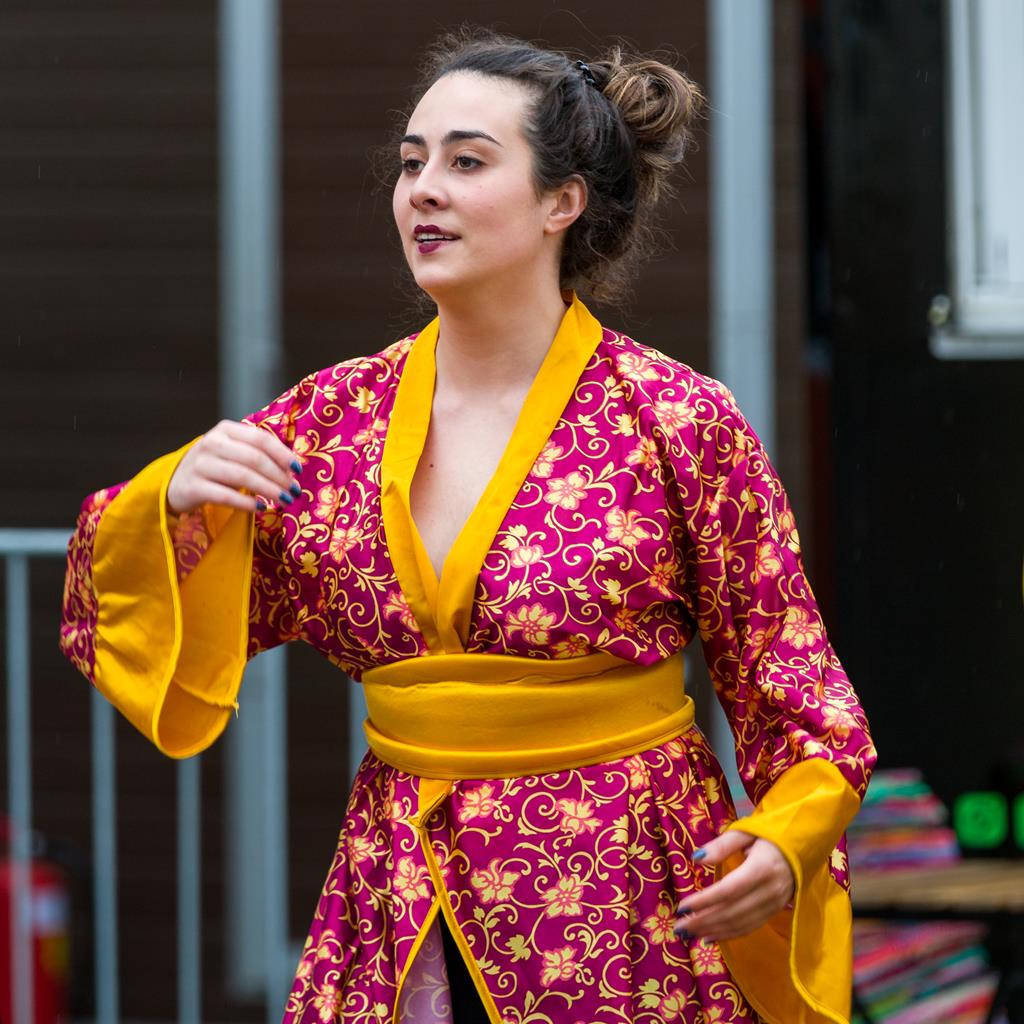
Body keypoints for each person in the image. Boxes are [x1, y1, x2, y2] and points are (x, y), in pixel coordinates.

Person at [61, 29, 876, 1024]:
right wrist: (173, 499)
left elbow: (795, 687)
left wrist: (787, 841)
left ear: (561, 203)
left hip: (622, 898)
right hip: (395, 885)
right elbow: (133, 609)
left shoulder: (675, 418)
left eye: (467, 162)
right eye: (412, 164)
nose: (424, 191)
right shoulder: (333, 417)